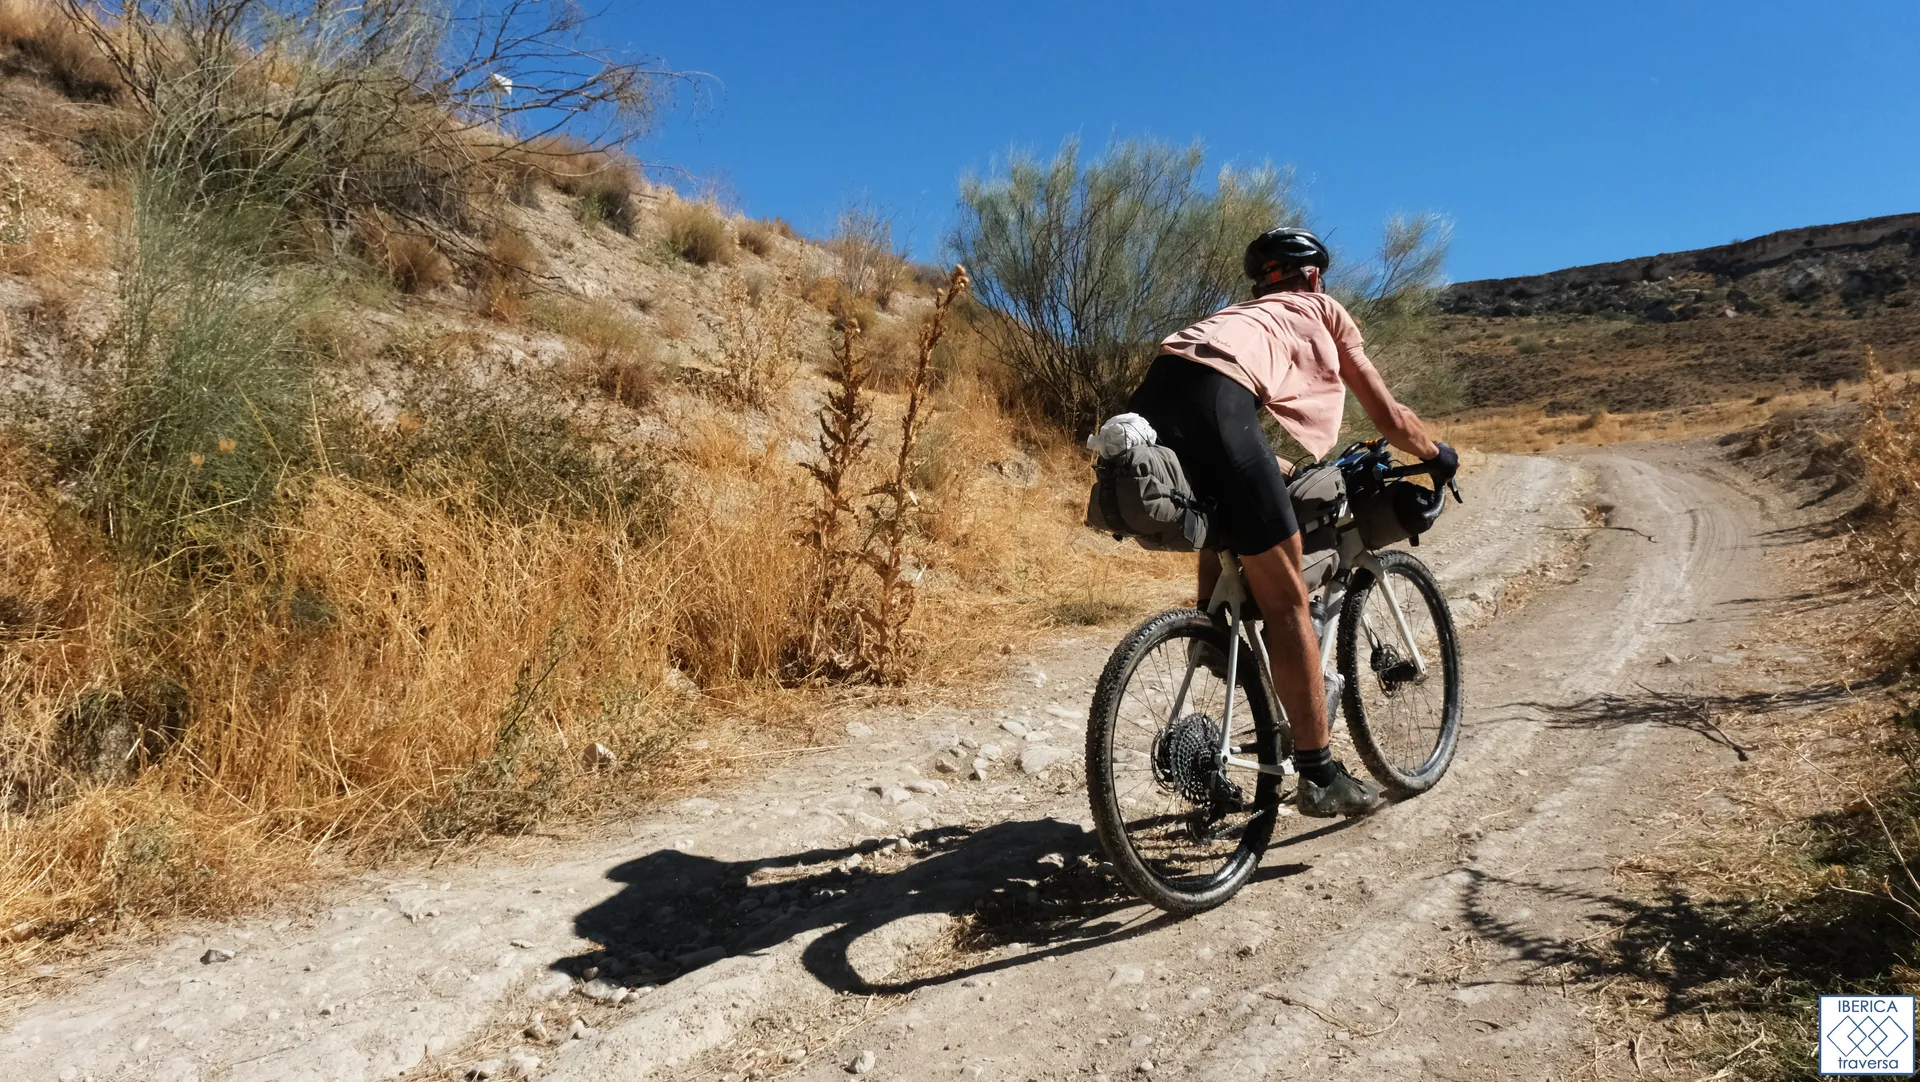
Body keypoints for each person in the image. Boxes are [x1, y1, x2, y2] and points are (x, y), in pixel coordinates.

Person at [1125, 227, 1458, 818]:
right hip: (1218, 405)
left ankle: (1213, 634)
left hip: (1152, 397)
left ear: (1263, 281)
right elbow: (1389, 415)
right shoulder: (1322, 309)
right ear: (1313, 276)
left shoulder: (1236, 316)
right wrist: (1434, 454)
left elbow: (1218, 421)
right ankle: (1319, 773)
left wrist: (1272, 465)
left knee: (1230, 517)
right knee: (1287, 605)